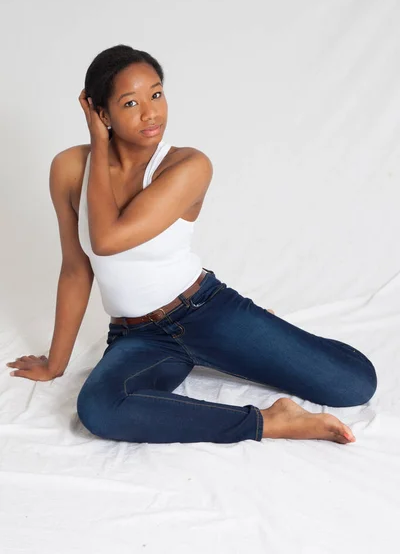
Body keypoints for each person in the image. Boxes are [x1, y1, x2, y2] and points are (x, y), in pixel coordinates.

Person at [6, 44, 377, 445]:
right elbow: (77, 268)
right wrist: (55, 364)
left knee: (355, 384)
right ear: (102, 113)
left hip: (205, 312)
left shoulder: (187, 166)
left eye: (157, 93)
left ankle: (258, 329)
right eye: (130, 102)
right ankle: (272, 422)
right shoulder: (68, 169)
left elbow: (107, 238)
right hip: (139, 337)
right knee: (99, 408)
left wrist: (98, 141)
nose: (151, 112)